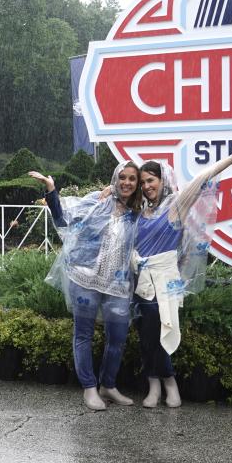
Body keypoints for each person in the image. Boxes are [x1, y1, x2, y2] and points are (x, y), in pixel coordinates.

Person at [132, 140, 232, 408]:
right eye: (143, 182)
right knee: (145, 335)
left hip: (166, 280)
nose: (147, 186)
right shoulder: (140, 212)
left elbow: (205, 176)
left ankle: (169, 383)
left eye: (151, 180)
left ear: (162, 179)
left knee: (163, 330)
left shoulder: (176, 205)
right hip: (142, 283)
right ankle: (153, 385)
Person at [29, 163, 141, 411]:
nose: (127, 182)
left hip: (118, 284)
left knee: (118, 338)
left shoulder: (137, 212)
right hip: (85, 278)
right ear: (115, 178)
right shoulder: (97, 201)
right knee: (83, 334)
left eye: (132, 178)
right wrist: (51, 190)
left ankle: (108, 386)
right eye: (122, 177)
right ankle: (89, 388)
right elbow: (63, 218)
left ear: (137, 183)